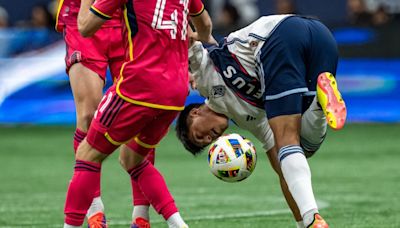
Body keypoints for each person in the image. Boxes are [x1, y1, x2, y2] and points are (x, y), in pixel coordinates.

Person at [176, 15, 347, 228]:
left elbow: (187, 36)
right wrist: (299, 222)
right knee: (303, 148)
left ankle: (313, 219)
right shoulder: (254, 123)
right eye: (207, 142)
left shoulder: (202, 79)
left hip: (275, 37)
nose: (210, 138)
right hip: (322, 39)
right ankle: (320, 104)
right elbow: (284, 173)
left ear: (194, 113)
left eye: (199, 135)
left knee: (288, 141)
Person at [62, 0, 215, 227]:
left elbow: (85, 26)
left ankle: (90, 220)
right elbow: (205, 26)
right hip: (175, 90)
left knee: (87, 152)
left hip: (140, 84)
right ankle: (174, 223)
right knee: (131, 158)